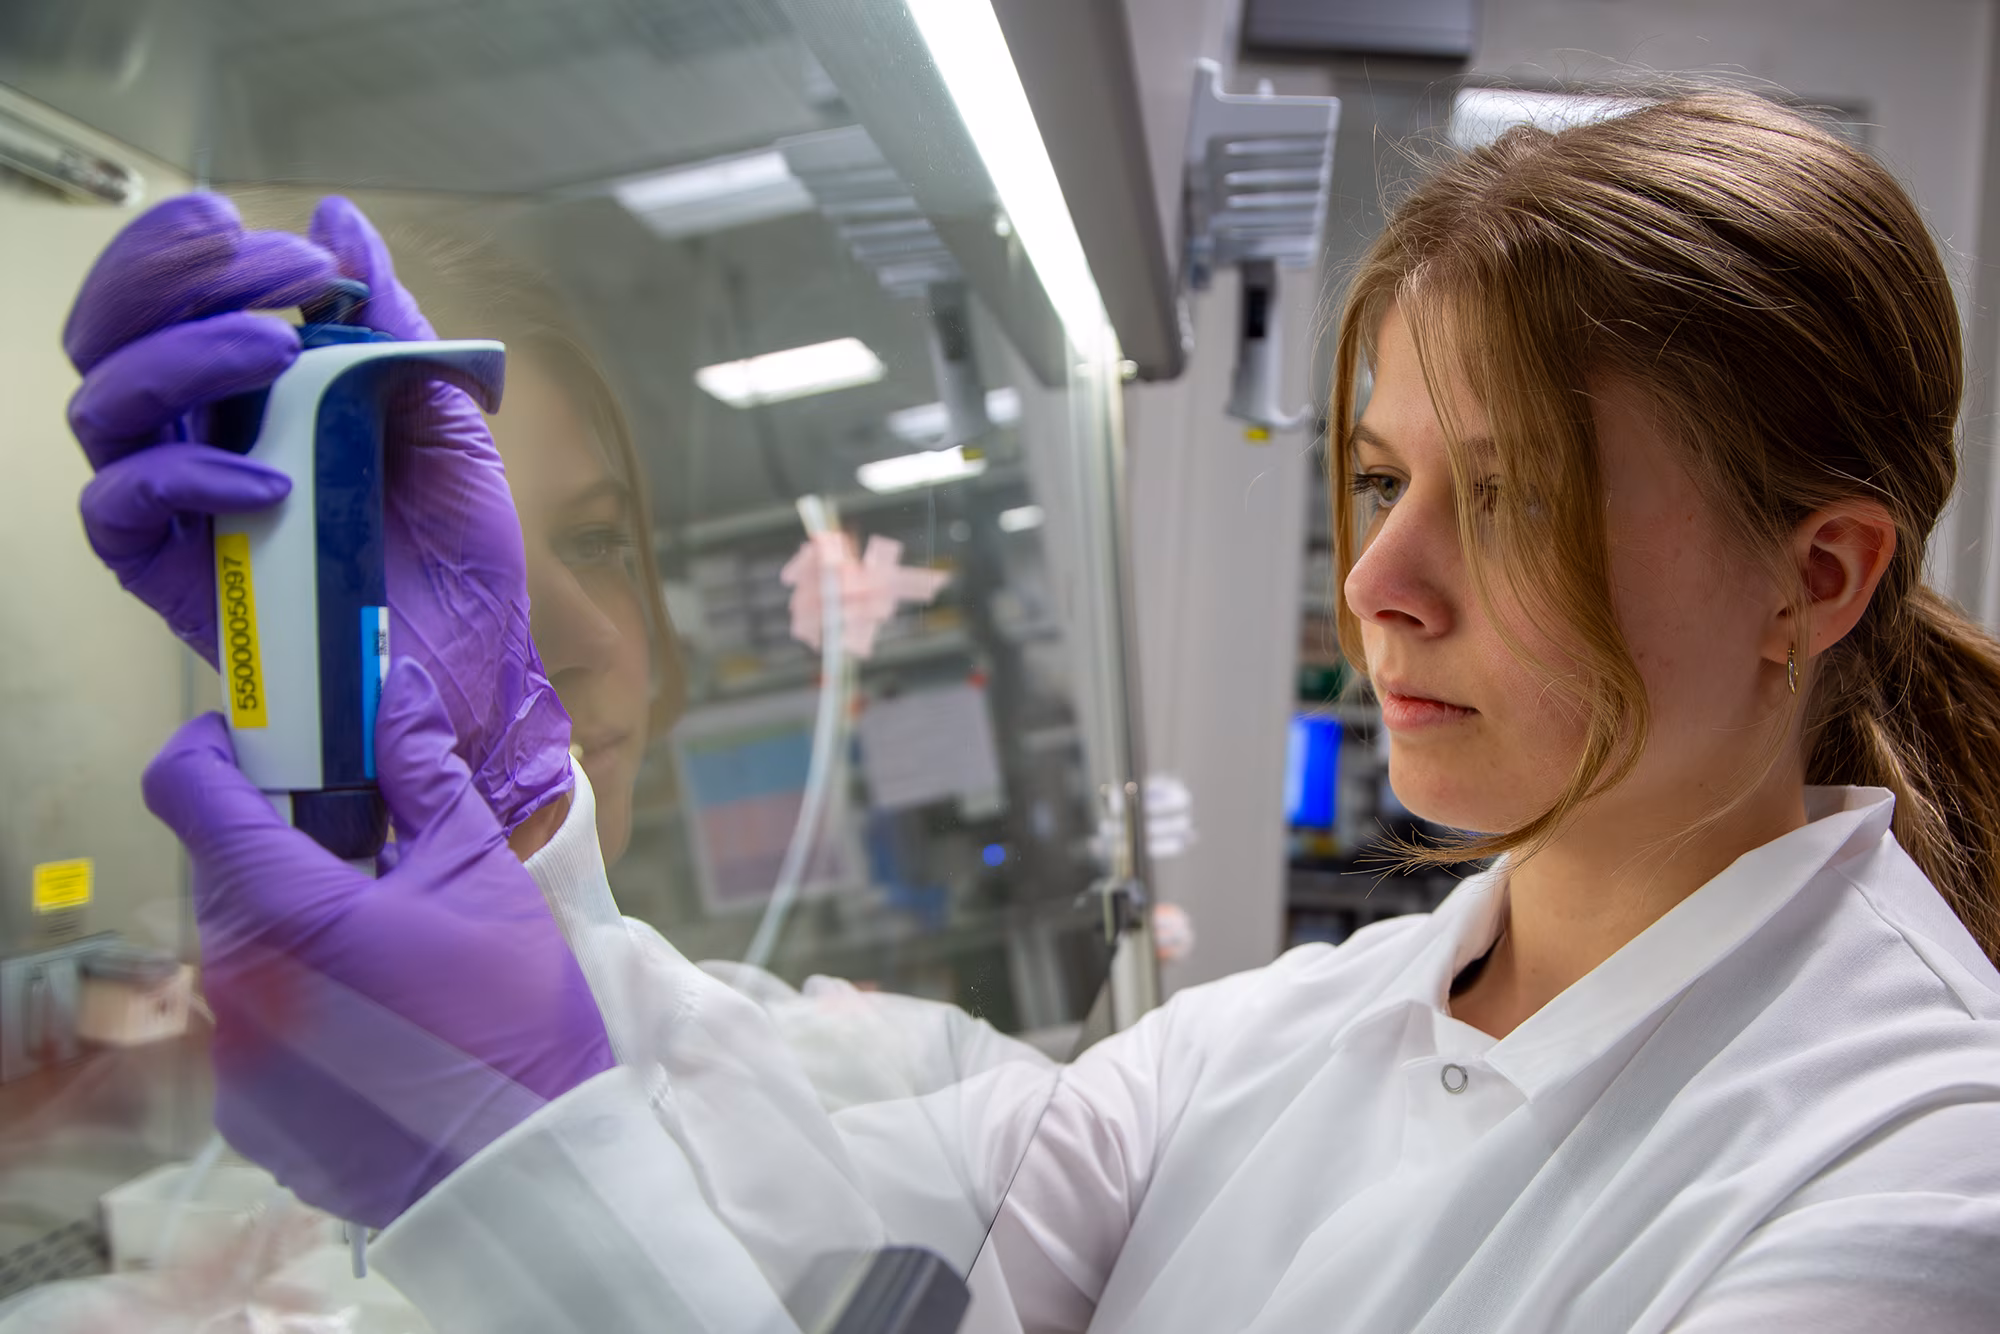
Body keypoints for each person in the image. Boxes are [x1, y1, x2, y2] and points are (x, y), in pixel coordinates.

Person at [57, 89, 2000, 1332]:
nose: (1380, 582)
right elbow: (860, 1238)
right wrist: (515, 805)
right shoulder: (1278, 1039)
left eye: (1508, 499)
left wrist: (516, 1165)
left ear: (1811, 577)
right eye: (1379, 474)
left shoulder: (1925, 1173)